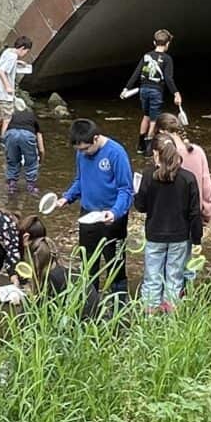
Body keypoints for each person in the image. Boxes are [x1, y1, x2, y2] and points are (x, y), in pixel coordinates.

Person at [53, 119, 134, 300]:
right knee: (88, 264)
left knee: (116, 265)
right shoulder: (81, 154)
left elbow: (126, 190)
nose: (82, 153)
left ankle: (119, 306)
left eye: (85, 149)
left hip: (111, 217)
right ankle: (90, 306)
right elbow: (80, 181)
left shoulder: (116, 153)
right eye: (79, 150)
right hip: (88, 215)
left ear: (96, 138)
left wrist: (115, 212)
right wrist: (67, 197)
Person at [133, 134, 202, 312]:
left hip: (155, 235)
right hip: (180, 236)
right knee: (174, 278)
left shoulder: (149, 176)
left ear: (156, 153)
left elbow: (140, 207)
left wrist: (137, 192)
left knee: (152, 278)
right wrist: (197, 240)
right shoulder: (188, 178)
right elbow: (195, 213)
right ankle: (170, 322)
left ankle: (149, 318)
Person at [155, 112, 211, 285]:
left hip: (167, 219)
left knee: (167, 263)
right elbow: (206, 184)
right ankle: (185, 301)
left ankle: (164, 304)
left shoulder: (163, 154)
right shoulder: (197, 152)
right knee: (187, 262)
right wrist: (207, 212)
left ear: (163, 131)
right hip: (193, 216)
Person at [124, 29, 181, 156]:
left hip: (143, 90)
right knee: (154, 120)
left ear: (154, 42)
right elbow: (168, 78)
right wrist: (176, 93)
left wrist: (127, 88)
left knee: (146, 116)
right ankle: (148, 148)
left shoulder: (146, 56)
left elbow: (137, 73)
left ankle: (140, 145)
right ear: (168, 44)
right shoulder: (167, 59)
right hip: (156, 91)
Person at [0, 36, 33, 145]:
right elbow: (2, 71)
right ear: (22, 48)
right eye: (26, 51)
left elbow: (4, 63)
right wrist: (8, 86)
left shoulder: (9, 52)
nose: (26, 53)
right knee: (7, 119)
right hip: (4, 95)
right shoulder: (13, 57)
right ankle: (4, 142)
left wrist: (18, 63)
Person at [3, 98, 45, 195]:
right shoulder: (33, 117)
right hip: (27, 134)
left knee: (12, 161)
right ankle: (31, 186)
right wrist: (40, 159)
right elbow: (41, 147)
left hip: (11, 133)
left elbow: (5, 132)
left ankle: (12, 185)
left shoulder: (13, 116)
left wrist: (6, 148)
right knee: (31, 161)